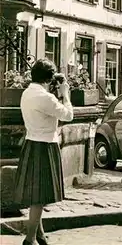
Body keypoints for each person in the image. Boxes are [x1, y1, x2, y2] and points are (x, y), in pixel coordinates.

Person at [14, 59, 73, 245]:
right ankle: (30, 239)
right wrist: (66, 95)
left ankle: (40, 235)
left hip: (31, 143)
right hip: (45, 145)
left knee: (36, 194)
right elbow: (68, 115)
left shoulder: (26, 93)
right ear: (49, 78)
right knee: (39, 198)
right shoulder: (47, 98)